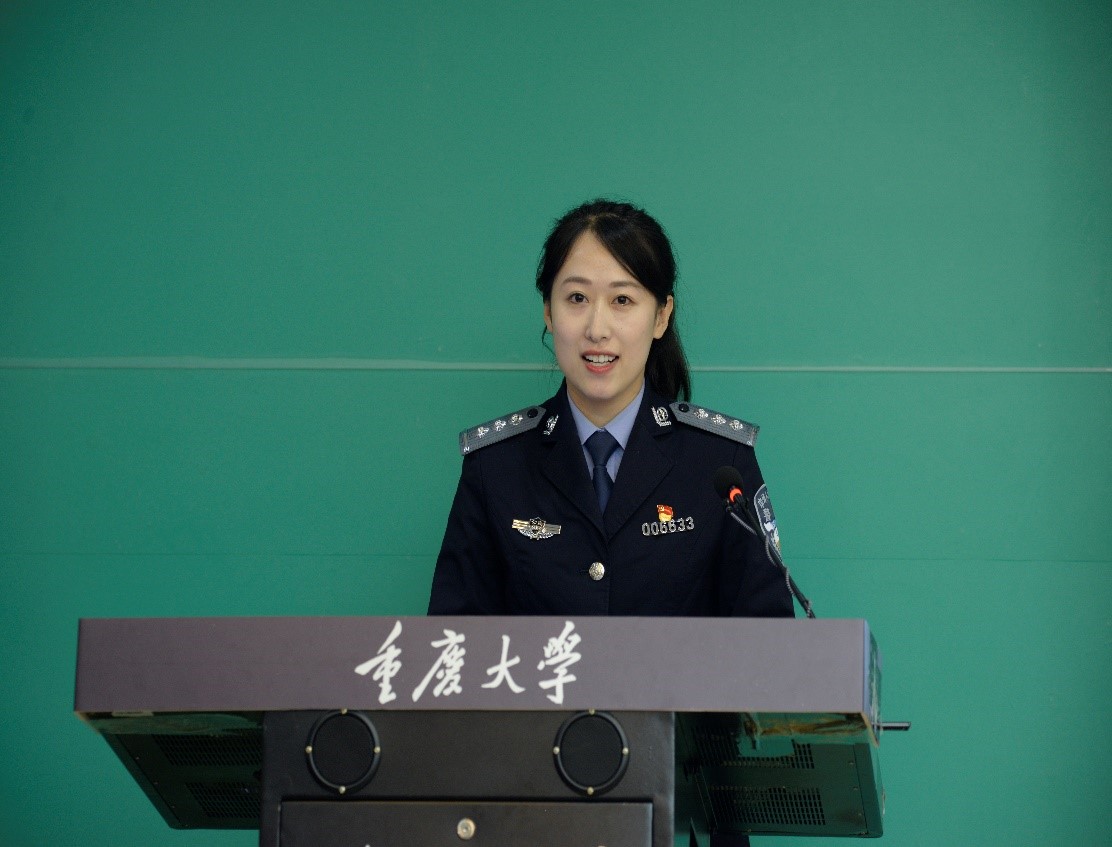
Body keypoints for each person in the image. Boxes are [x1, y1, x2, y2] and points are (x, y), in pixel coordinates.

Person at [427, 199, 794, 619]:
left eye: (622, 300)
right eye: (577, 298)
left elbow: (769, 637)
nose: (597, 329)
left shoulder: (720, 464)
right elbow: (452, 640)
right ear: (548, 312)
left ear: (661, 316)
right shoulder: (495, 467)